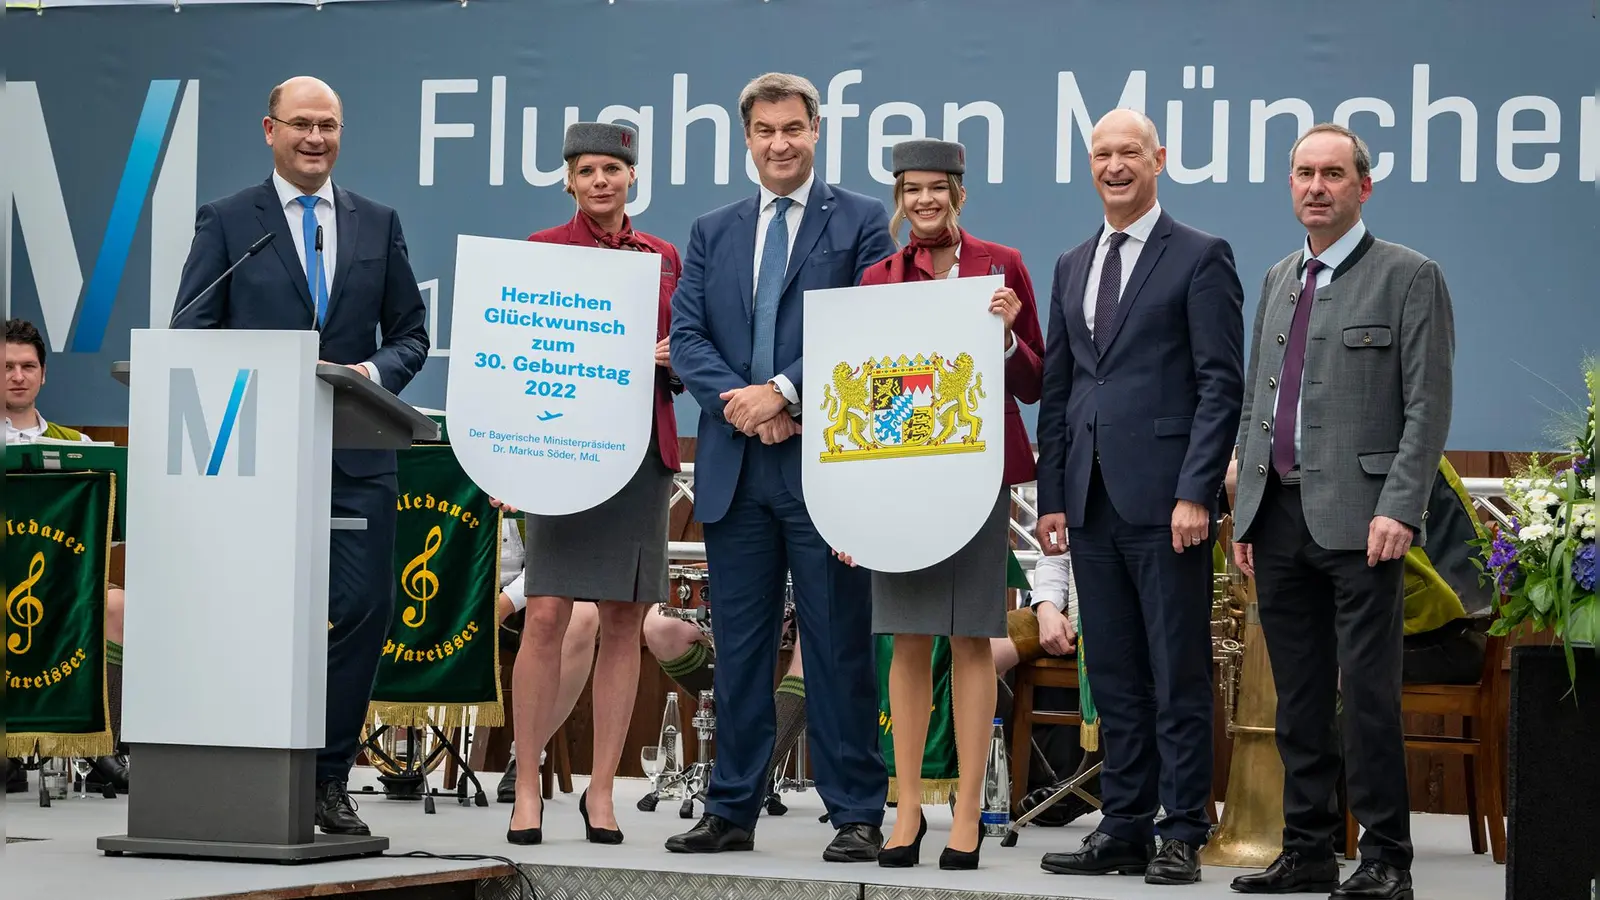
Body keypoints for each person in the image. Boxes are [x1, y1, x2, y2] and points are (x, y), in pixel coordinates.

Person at [169, 76, 429, 836]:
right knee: (252, 614)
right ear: (269, 129)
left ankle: (326, 777)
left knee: (363, 609)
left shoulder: (377, 224)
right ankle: (245, 771)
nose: (315, 138)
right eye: (301, 125)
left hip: (354, 454)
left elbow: (410, 330)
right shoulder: (228, 221)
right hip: (251, 462)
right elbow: (189, 331)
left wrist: (371, 375)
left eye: (329, 126)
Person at [666, 71, 897, 861]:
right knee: (740, 648)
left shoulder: (864, 220)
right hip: (736, 466)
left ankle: (856, 812)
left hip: (823, 464)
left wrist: (784, 393)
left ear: (816, 128)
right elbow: (688, 332)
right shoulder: (712, 228)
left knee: (837, 645)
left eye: (792, 128)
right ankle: (731, 807)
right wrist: (741, 401)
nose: (779, 143)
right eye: (764, 131)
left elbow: (867, 323)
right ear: (747, 139)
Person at [1228, 122, 1454, 900]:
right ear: (1289, 184)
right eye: (1303, 173)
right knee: (1298, 700)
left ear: (1364, 185)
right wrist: (1246, 510)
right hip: (1279, 518)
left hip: (1366, 524)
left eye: (1332, 173)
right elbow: (1258, 402)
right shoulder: (1275, 279)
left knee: (1365, 696)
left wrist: (1401, 507)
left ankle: (1388, 859)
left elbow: (1426, 407)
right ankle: (1309, 851)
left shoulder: (1409, 276)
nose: (1316, 186)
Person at [1033, 108, 1244, 885]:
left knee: (1176, 670)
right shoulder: (1069, 261)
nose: (1114, 165)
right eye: (1101, 153)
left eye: (1129, 152)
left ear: (1159, 159)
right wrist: (1052, 494)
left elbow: (1221, 386)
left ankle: (1182, 828)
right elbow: (1058, 390)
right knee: (1115, 673)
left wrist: (1198, 492)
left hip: (1168, 505)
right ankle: (1122, 827)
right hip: (1087, 501)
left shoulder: (1200, 256)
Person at [846, 138, 1043, 870]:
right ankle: (904, 810)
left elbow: (1034, 382)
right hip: (899, 480)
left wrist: (1006, 335)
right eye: (911, 189)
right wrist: (852, 503)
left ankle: (966, 808)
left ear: (961, 193)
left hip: (975, 477)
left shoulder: (1003, 266)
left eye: (938, 188)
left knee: (967, 639)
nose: (924, 200)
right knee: (903, 638)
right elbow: (859, 391)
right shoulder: (874, 279)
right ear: (900, 197)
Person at [489, 121, 683, 847]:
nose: (601, 181)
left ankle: (602, 791)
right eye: (587, 171)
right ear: (568, 181)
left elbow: (691, 354)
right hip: (559, 451)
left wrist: (674, 358)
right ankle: (530, 783)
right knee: (544, 615)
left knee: (624, 621)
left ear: (632, 178)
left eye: (613, 169)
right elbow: (507, 358)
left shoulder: (662, 257)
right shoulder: (542, 253)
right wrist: (504, 459)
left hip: (638, 459)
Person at [5, 318, 130, 796]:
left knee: (122, 608)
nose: (18, 375)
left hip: (66, 583)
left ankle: (103, 745)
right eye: (8, 367)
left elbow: (109, 535)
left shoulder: (76, 446)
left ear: (43, 375)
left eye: (28, 366)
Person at [492, 517, 600, 804]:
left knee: (583, 617)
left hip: (529, 594)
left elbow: (560, 554)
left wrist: (507, 602)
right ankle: (404, 755)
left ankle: (525, 757)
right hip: (455, 591)